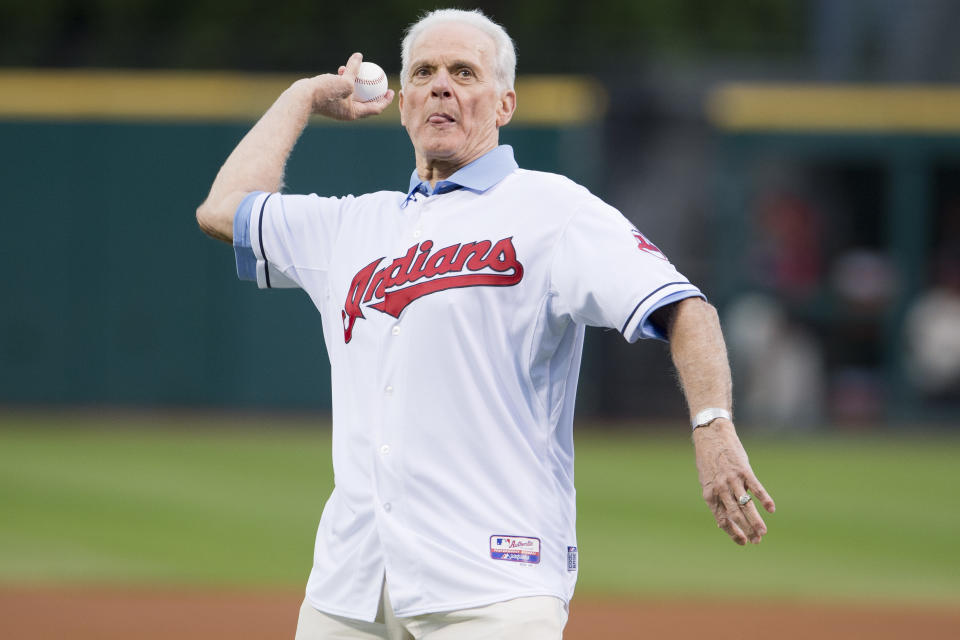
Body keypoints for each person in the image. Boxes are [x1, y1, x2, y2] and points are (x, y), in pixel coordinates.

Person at [196, 8, 775, 639]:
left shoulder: (552, 211)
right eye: (423, 71)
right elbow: (223, 209)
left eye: (463, 71)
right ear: (403, 99)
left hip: (493, 585)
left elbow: (686, 308)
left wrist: (712, 427)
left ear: (504, 104)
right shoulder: (352, 226)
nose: (440, 84)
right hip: (351, 586)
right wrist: (302, 97)